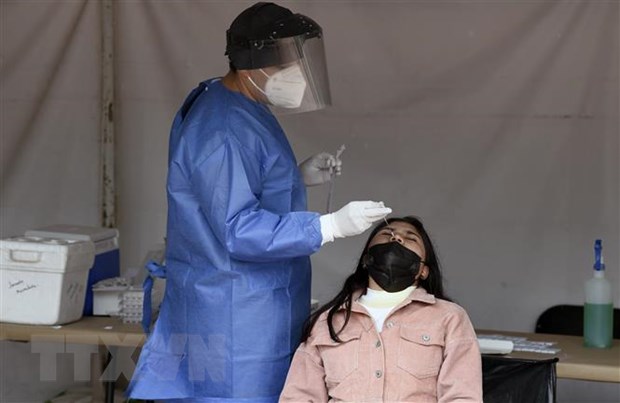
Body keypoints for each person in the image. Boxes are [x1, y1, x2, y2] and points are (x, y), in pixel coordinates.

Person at [127, 2, 391, 402]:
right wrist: (329, 226)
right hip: (233, 312)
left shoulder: (240, 103)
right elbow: (237, 227)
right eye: (287, 65)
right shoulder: (222, 128)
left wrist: (295, 176)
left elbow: (228, 186)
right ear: (252, 67)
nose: (298, 73)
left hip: (253, 304)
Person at [280, 216, 483, 402]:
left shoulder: (449, 317)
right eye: (387, 234)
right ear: (366, 259)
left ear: (423, 270)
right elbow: (298, 397)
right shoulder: (328, 321)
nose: (396, 239)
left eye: (410, 238)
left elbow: (462, 396)